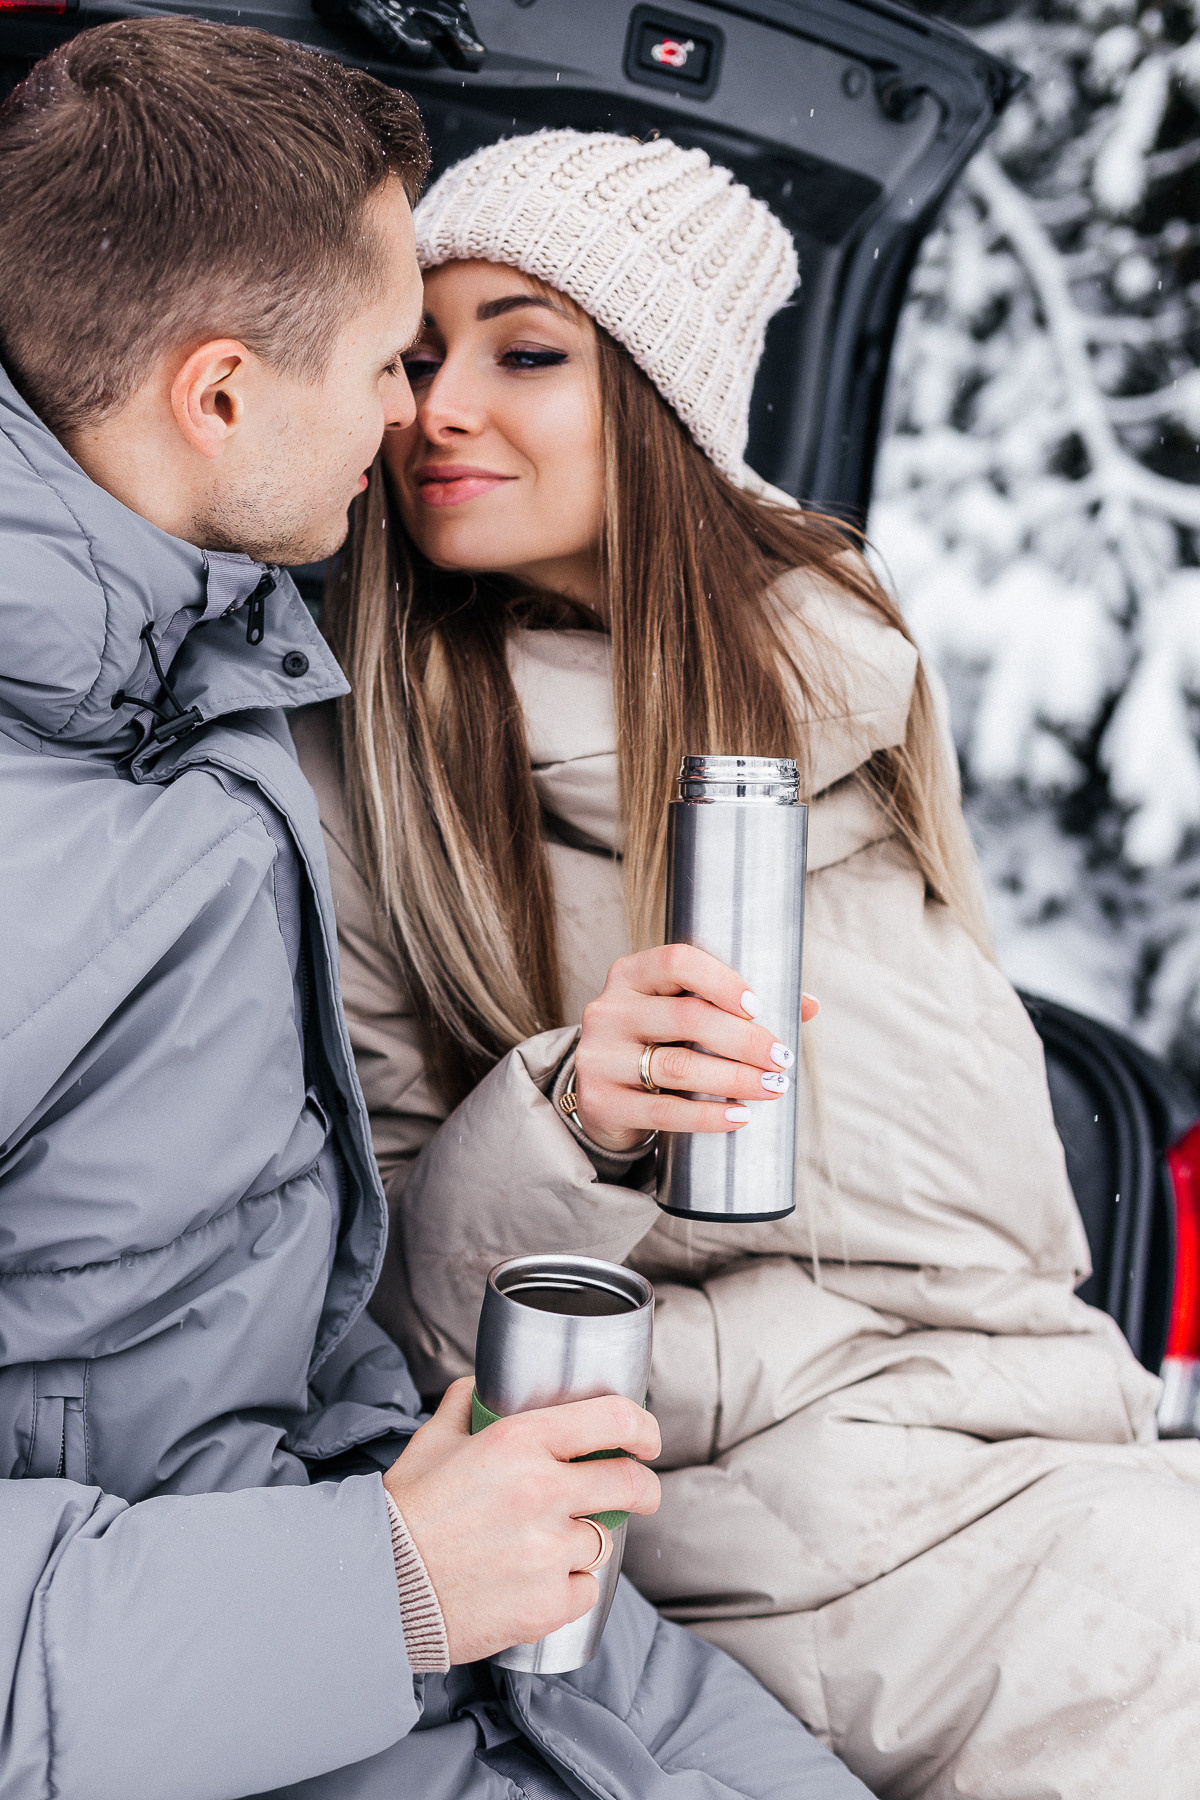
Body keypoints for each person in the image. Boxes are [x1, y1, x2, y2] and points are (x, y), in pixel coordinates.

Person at [0, 32, 875, 1800]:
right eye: (397, 357)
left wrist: (418, 1544)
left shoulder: (211, 709)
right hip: (249, 1661)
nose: (420, 416)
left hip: (418, 1578)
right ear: (222, 394)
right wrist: (379, 1586)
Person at [294, 129, 1200, 1798]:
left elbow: (982, 1240)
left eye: (526, 350)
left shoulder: (842, 684)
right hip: (756, 1531)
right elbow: (377, 1331)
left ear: (666, 399)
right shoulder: (367, 774)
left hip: (1041, 1454)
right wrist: (574, 1117)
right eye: (414, 355)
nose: (439, 407)